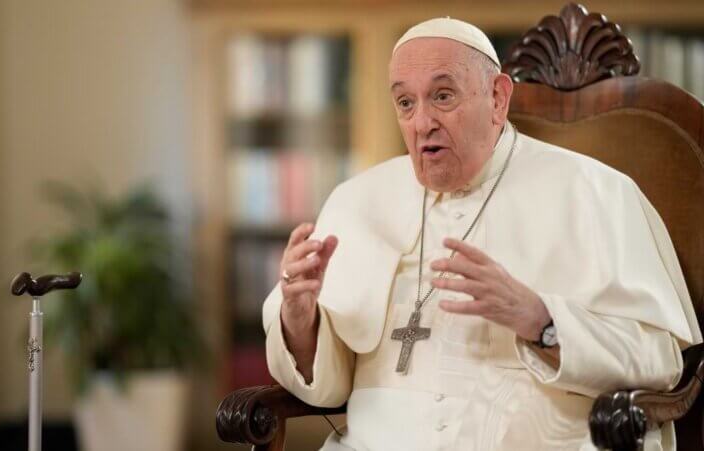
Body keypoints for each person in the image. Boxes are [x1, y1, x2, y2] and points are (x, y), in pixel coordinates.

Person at [262, 17, 702, 451]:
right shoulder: (357, 200)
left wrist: (542, 321)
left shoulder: (596, 192)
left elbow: (658, 363)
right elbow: (326, 383)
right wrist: (301, 321)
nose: (422, 123)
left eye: (443, 96)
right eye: (405, 103)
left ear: (497, 97)